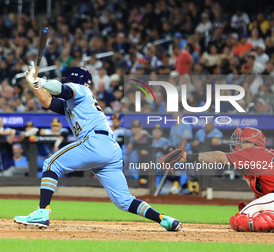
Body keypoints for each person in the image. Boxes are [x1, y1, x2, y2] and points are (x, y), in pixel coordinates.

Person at [14, 62, 182, 231]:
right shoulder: (72, 103)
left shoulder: (81, 90)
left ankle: (42, 213)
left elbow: (61, 89)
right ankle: (164, 219)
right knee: (124, 201)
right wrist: (33, 83)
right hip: (110, 149)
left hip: (95, 142)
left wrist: (41, 82)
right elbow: (47, 101)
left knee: (51, 164)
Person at [178, 127, 274, 232]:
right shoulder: (262, 154)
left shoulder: (253, 152)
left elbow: (217, 156)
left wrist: (187, 157)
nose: (239, 145)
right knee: (244, 210)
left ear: (252, 143)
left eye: (242, 141)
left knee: (239, 221)